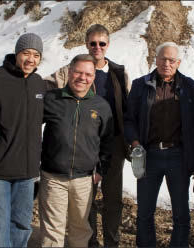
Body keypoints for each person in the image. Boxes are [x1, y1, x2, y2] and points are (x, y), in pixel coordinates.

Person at [46, 24, 130, 247]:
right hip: (82, 145)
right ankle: (89, 242)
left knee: (112, 199)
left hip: (112, 145)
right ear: (86, 43)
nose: (97, 47)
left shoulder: (118, 72)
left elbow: (127, 108)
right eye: (93, 43)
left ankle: (112, 242)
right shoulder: (71, 70)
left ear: (108, 45)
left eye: (102, 43)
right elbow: (46, 86)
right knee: (85, 200)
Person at [124, 42, 194, 247]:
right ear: (155, 59)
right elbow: (129, 119)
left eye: (171, 60)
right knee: (145, 213)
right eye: (163, 59)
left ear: (178, 62)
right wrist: (135, 142)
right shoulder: (141, 85)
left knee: (181, 214)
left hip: (178, 156)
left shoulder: (190, 87)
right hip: (149, 156)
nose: (167, 63)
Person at [0, 33, 46, 247]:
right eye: (26, 53)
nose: (30, 59)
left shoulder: (37, 83)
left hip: (26, 172)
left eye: (36, 55)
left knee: (22, 226)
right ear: (16, 53)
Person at [39, 54, 114, 247]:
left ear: (94, 77)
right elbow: (28, 126)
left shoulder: (101, 106)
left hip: (83, 179)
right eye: (78, 72)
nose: (82, 78)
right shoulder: (51, 99)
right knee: (52, 230)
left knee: (80, 229)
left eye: (88, 74)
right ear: (69, 72)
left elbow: (107, 142)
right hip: (53, 176)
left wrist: (101, 170)